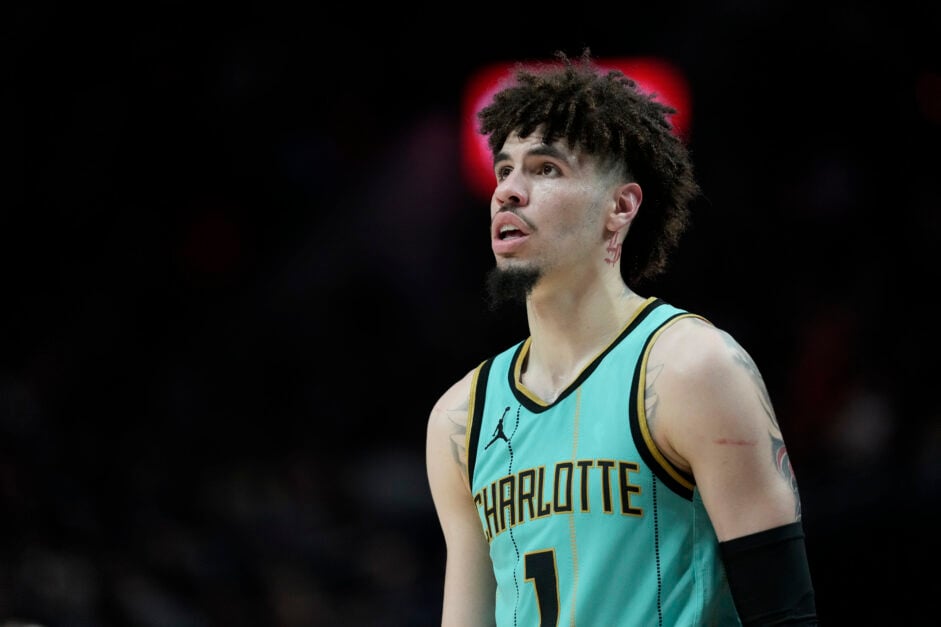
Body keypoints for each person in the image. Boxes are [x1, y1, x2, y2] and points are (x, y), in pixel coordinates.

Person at [425, 50, 818, 626]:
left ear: (621, 206)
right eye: (505, 169)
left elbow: (785, 614)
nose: (508, 189)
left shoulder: (692, 367)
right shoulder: (461, 418)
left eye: (546, 169)